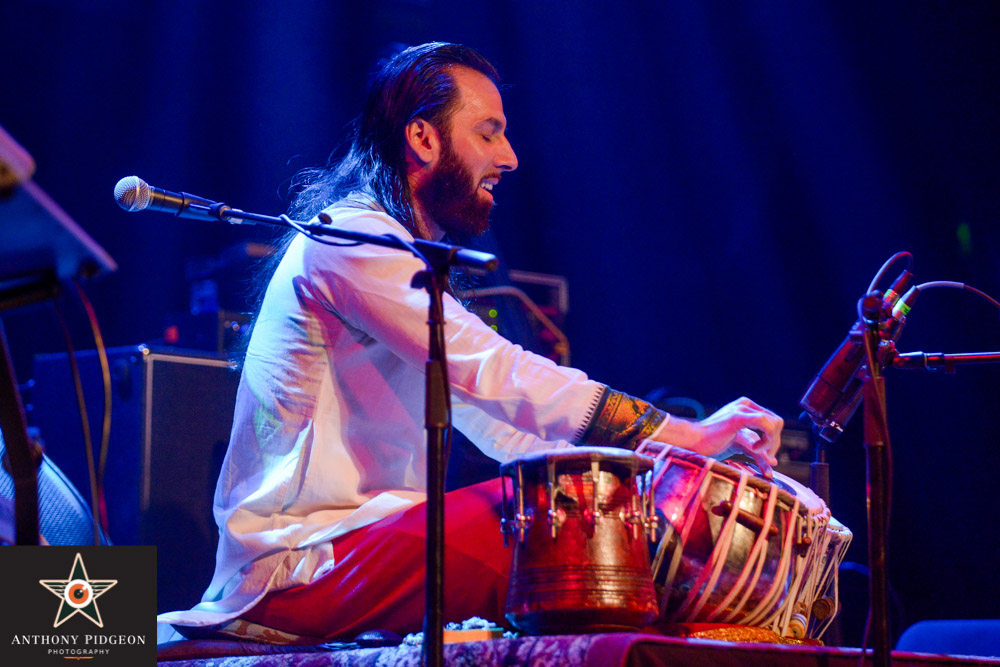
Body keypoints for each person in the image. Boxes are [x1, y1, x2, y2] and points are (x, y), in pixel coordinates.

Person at [157, 42, 783, 644]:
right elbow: (495, 370)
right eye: (488, 132)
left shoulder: (395, 252)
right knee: (557, 527)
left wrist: (657, 475)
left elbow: (504, 423)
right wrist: (682, 434)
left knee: (581, 509)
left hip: (361, 547)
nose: (509, 156)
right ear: (422, 137)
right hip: (301, 565)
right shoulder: (347, 237)